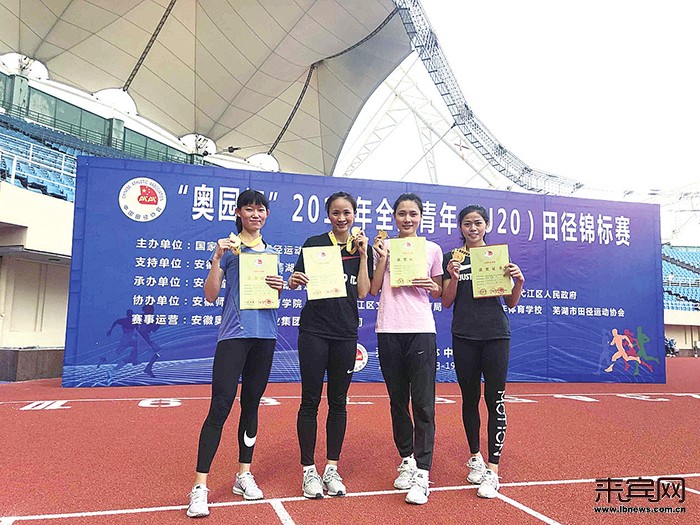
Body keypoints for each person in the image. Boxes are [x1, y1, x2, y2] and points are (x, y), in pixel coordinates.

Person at [186, 189, 284, 518]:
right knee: (220, 406)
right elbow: (211, 295)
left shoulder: (272, 254)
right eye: (249, 209)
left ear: (266, 215)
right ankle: (199, 486)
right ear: (239, 213)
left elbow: (272, 300)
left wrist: (279, 287)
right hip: (233, 336)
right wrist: (216, 258)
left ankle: (244, 475)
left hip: (265, 336)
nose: (255, 214)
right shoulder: (228, 249)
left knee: (251, 406)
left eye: (261, 209)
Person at [288, 191, 372, 499]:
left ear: (354, 215)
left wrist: (364, 256)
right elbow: (296, 280)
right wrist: (294, 280)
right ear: (328, 215)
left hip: (345, 333)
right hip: (314, 330)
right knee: (310, 401)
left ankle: (332, 468)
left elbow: (363, 292)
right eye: (336, 212)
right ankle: (308, 470)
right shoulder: (313, 244)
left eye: (347, 212)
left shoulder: (361, 248)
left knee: (338, 402)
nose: (341, 218)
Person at [441, 204, 524, 499]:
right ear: (460, 228)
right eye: (467, 223)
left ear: (487, 225)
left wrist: (519, 281)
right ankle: (475, 457)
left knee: (495, 399)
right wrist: (452, 276)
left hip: (496, 335)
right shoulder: (452, 258)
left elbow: (510, 302)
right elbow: (446, 301)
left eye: (477, 222)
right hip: (464, 335)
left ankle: (493, 469)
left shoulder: (498, 257)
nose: (472, 228)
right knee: (470, 399)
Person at [369, 193, 443, 505]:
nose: (407, 219)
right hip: (389, 329)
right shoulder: (382, 246)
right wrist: (382, 258)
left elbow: (438, 292)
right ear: (394, 217)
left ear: (421, 217)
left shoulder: (432, 249)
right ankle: (407, 459)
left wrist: (431, 285)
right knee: (398, 401)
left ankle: (423, 473)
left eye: (413, 213)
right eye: (402, 214)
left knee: (423, 403)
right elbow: (374, 289)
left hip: (421, 330)